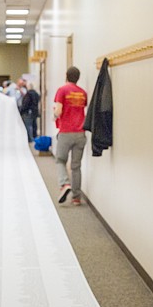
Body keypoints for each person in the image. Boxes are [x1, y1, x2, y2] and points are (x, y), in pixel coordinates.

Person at [53, 66, 88, 206]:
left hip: (66, 132)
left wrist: (54, 114)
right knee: (76, 166)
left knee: (60, 160)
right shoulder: (83, 93)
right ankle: (76, 198)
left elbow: (59, 110)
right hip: (80, 133)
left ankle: (64, 184)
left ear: (66, 75)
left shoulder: (62, 90)